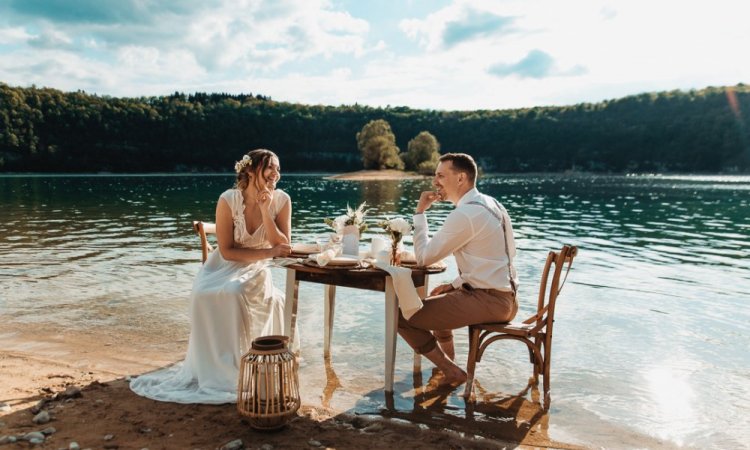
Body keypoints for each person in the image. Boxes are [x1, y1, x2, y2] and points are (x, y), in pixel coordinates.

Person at [130, 148, 293, 404]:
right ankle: (219, 368)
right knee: (206, 293)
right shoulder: (228, 199)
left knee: (234, 292)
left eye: (278, 169)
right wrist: (270, 250)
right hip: (223, 265)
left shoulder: (282, 200)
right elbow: (227, 251)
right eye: (270, 167)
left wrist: (265, 210)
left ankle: (241, 364)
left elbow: (283, 246)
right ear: (250, 170)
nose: (276, 173)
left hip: (258, 266)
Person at [399, 152, 519, 387]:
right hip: (507, 298)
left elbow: (423, 258)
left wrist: (420, 213)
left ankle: (450, 370)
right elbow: (494, 260)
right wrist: (454, 284)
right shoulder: (492, 203)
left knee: (402, 315)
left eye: (441, 176)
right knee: (437, 296)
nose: (435, 182)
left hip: (491, 300)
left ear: (461, 178)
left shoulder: (466, 214)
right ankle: (447, 362)